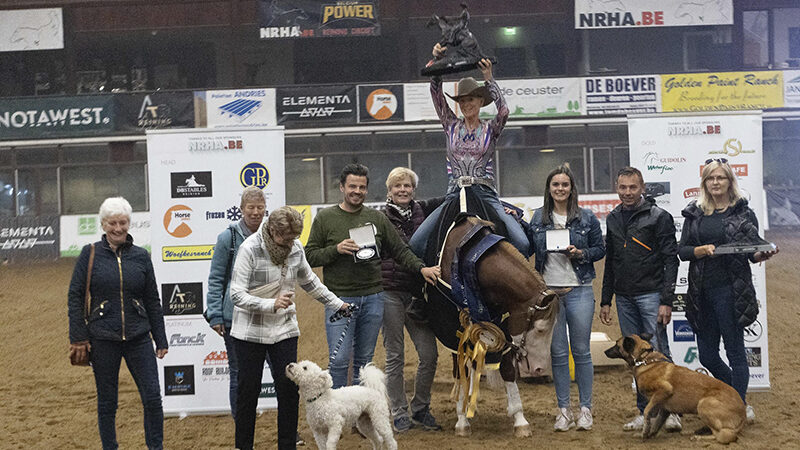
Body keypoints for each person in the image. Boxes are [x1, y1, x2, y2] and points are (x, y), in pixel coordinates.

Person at [305, 163, 439, 389]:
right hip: (339, 300)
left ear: (367, 190)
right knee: (338, 361)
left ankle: (359, 414)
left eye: (362, 187)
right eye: (352, 186)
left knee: (363, 361)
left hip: (373, 298)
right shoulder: (325, 218)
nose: (357, 191)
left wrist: (421, 268)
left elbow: (400, 250)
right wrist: (336, 250)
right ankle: (339, 407)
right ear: (342, 187)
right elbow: (309, 256)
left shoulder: (376, 218)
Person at [229, 206, 350, 450]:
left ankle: (287, 445)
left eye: (295, 237)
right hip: (250, 332)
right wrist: (269, 304)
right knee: (247, 392)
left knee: (288, 389)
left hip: (284, 329)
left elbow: (310, 282)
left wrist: (338, 304)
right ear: (272, 230)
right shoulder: (249, 249)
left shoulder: (295, 248)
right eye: (287, 237)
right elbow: (236, 294)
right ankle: (243, 446)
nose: (291, 242)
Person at [678, 159, 778, 423]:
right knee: (708, 355)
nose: (715, 182)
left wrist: (762, 254)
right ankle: (735, 397)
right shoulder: (694, 213)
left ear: (730, 181)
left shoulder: (743, 213)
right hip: (701, 293)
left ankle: (739, 406)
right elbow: (682, 251)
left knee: (735, 352)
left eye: (721, 177)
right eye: (711, 178)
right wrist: (701, 250)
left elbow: (753, 251)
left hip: (732, 292)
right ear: (705, 183)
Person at [408, 43, 529, 258]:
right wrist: (436, 61)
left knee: (521, 242)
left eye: (471, 99)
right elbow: (436, 93)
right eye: (462, 101)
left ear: (481, 101)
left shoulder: (491, 129)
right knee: (417, 242)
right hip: (454, 192)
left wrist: (489, 78)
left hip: (485, 192)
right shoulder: (450, 124)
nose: (466, 104)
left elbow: (504, 110)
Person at [68, 197, 168, 450]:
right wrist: (79, 337)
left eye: (123, 222)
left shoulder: (141, 257)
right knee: (107, 402)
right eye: (112, 223)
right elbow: (75, 296)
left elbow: (152, 299)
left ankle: (156, 447)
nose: (118, 228)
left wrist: (161, 337)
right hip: (102, 338)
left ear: (129, 223)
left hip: (138, 336)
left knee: (153, 399)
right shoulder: (89, 255)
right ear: (103, 225)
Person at [598, 166, 682, 432]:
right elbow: (610, 261)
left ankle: (672, 412)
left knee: (658, 352)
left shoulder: (660, 217)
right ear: (617, 187)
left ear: (642, 187)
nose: (628, 192)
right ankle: (643, 412)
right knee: (634, 360)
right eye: (623, 187)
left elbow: (671, 259)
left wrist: (666, 299)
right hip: (624, 297)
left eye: (633, 187)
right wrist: (605, 300)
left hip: (651, 294)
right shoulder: (612, 218)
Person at [526, 165, 605, 432]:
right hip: (549, 295)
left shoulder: (587, 218)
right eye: (556, 185)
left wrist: (580, 253)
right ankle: (563, 410)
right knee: (558, 353)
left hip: (579, 290)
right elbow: (526, 247)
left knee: (581, 351)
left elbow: (599, 249)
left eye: (565, 185)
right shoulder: (537, 219)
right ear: (549, 189)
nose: (560, 189)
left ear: (572, 189)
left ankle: (585, 409)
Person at [380, 167, 444, 432]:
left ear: (413, 190)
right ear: (389, 190)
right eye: (398, 186)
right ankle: (398, 412)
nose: (403, 190)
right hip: (390, 292)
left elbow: (454, 199)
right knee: (395, 355)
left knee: (429, 355)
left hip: (418, 295)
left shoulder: (424, 210)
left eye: (407, 186)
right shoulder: (379, 217)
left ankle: (420, 408)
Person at [205, 186, 266, 420]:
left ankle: (289, 429)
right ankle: (242, 425)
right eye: (250, 207)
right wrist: (216, 315)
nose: (255, 212)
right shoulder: (227, 238)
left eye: (260, 208)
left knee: (281, 374)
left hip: (268, 313)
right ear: (241, 210)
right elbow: (216, 278)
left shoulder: (272, 234)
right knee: (239, 373)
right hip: (235, 316)